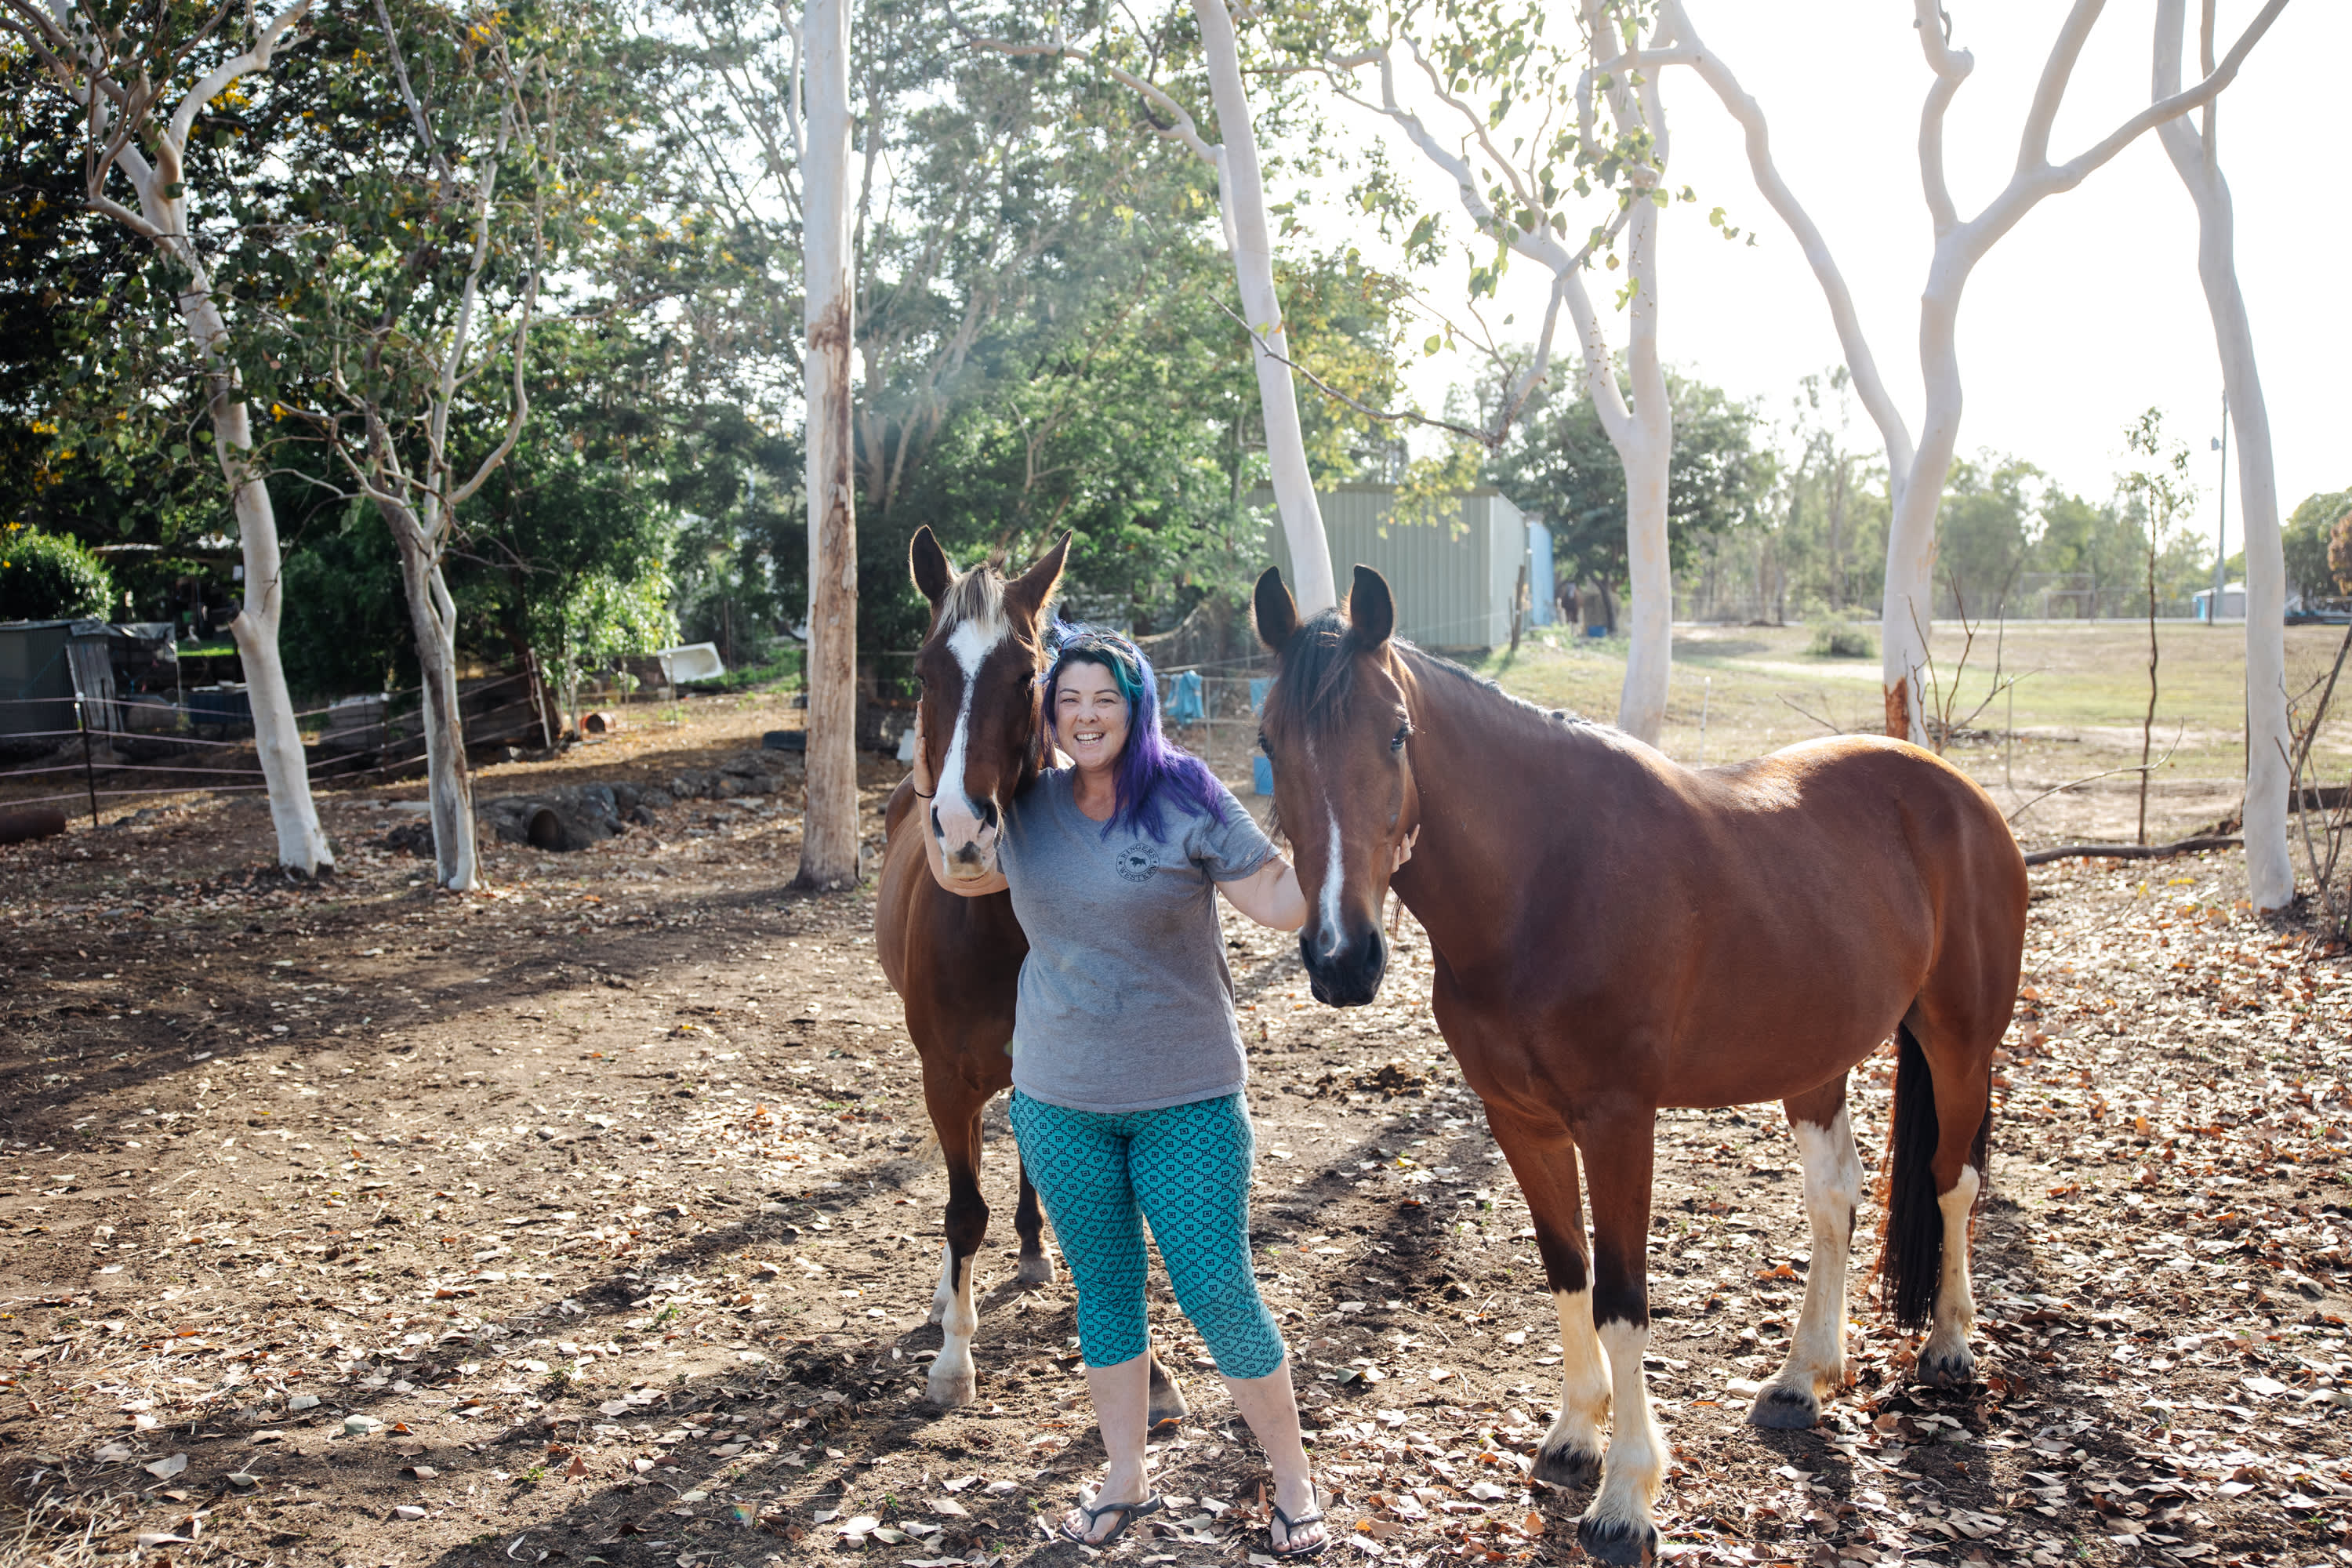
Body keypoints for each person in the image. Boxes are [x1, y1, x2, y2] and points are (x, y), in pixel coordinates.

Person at [916, 626, 1394, 1558]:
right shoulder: (1029, 807)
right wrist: (935, 777)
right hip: (1058, 1103)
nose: (1085, 715)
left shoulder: (1187, 794)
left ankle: (1294, 1483)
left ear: (1137, 707)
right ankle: (1125, 1477)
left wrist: (1362, 856)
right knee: (1105, 1291)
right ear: (1047, 715)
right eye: (1069, 700)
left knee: (1217, 1288)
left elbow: (1279, 900)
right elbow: (957, 869)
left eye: (1105, 697)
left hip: (1187, 1098)